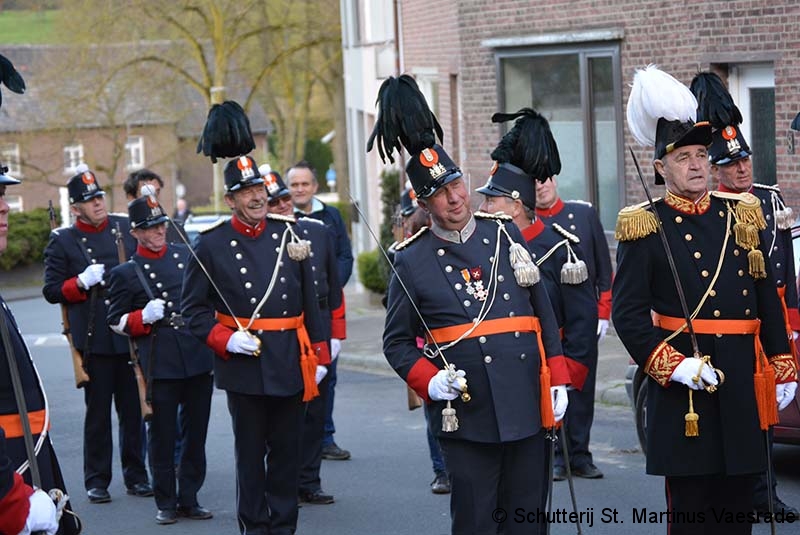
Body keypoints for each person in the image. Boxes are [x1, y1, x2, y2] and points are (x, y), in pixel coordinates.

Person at [373, 74, 570, 535]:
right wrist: (429, 380)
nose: (455, 198)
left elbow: (542, 312)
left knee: (528, 521)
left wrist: (558, 377)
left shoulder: (504, 232)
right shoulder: (411, 260)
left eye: (457, 184)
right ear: (424, 202)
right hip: (467, 414)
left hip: (525, 400)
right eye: (440, 193)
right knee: (477, 522)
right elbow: (396, 342)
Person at [614, 65, 797, 535]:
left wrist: (781, 362)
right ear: (661, 168)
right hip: (686, 392)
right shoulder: (644, 224)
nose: (696, 165)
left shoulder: (740, 214)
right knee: (693, 515)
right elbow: (627, 315)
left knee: (738, 513)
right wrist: (672, 366)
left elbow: (766, 296)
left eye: (700, 155)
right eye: (683, 158)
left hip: (739, 382)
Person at [181, 155, 330, 535]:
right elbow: (193, 311)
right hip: (244, 367)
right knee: (250, 458)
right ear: (230, 200)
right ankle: (254, 527)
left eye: (259, 188)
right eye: (246, 191)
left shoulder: (289, 233)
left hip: (290, 359)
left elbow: (310, 301)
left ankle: (283, 527)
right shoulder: (211, 244)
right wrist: (226, 339)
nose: (257, 197)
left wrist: (320, 354)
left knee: (286, 455)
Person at [689, 70, 800, 518]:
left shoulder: (771, 200)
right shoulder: (712, 209)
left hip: (773, 324)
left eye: (746, 160)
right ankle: (745, 494)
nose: (742, 168)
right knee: (741, 416)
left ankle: (766, 494)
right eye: (732, 164)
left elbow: (786, 272)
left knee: (768, 414)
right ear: (716, 169)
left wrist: (790, 334)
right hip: (736, 326)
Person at [477, 108, 599, 482]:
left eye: (491, 201)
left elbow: (581, 325)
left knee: (534, 481)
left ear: (516, 205)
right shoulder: (486, 248)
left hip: (549, 370)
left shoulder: (561, 249)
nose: (483, 208)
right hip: (505, 375)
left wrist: (564, 380)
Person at [43, 169, 152, 504]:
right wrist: (79, 282)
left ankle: (137, 475)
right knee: (98, 414)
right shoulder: (63, 240)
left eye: (99, 197)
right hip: (95, 337)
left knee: (133, 410)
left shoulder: (123, 227)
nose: (98, 204)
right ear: (75, 208)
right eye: (90, 200)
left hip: (128, 330)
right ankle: (97, 479)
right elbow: (51, 290)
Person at [106, 195, 215, 525]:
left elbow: (207, 299)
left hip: (196, 353)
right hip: (159, 358)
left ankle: (190, 497)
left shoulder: (186, 255)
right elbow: (115, 321)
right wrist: (141, 316)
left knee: (196, 433)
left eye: (161, 224)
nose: (158, 231)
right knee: (162, 435)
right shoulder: (126, 273)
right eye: (150, 227)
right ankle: (166, 501)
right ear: (135, 233)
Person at [1, 164, 81, 535]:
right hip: (11, 473)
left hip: (23, 458)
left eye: (3, 197)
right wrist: (12, 500)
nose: (5, 207)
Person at [262, 166, 345, 505]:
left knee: (316, 410)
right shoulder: (260, 240)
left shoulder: (317, 231)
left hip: (319, 326)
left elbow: (334, 287)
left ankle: (309, 481)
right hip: (282, 332)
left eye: (284, 197)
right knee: (282, 414)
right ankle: (282, 483)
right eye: (274, 201)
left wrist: (336, 334)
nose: (282, 204)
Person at [287, 160, 353, 461]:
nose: (299, 189)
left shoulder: (331, 216)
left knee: (328, 376)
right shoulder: (281, 217)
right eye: (294, 185)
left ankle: (325, 437)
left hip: (325, 311)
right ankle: (297, 439)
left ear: (315, 186)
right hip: (295, 314)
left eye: (305, 184)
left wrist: (330, 285)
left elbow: (343, 256)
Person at [397, 186, 450, 495]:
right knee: (434, 415)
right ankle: (441, 470)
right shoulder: (407, 257)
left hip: (453, 345)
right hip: (424, 347)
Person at [123, 169, 185, 244]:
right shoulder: (122, 235)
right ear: (131, 197)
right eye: (147, 194)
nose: (153, 198)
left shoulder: (175, 229)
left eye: (157, 192)